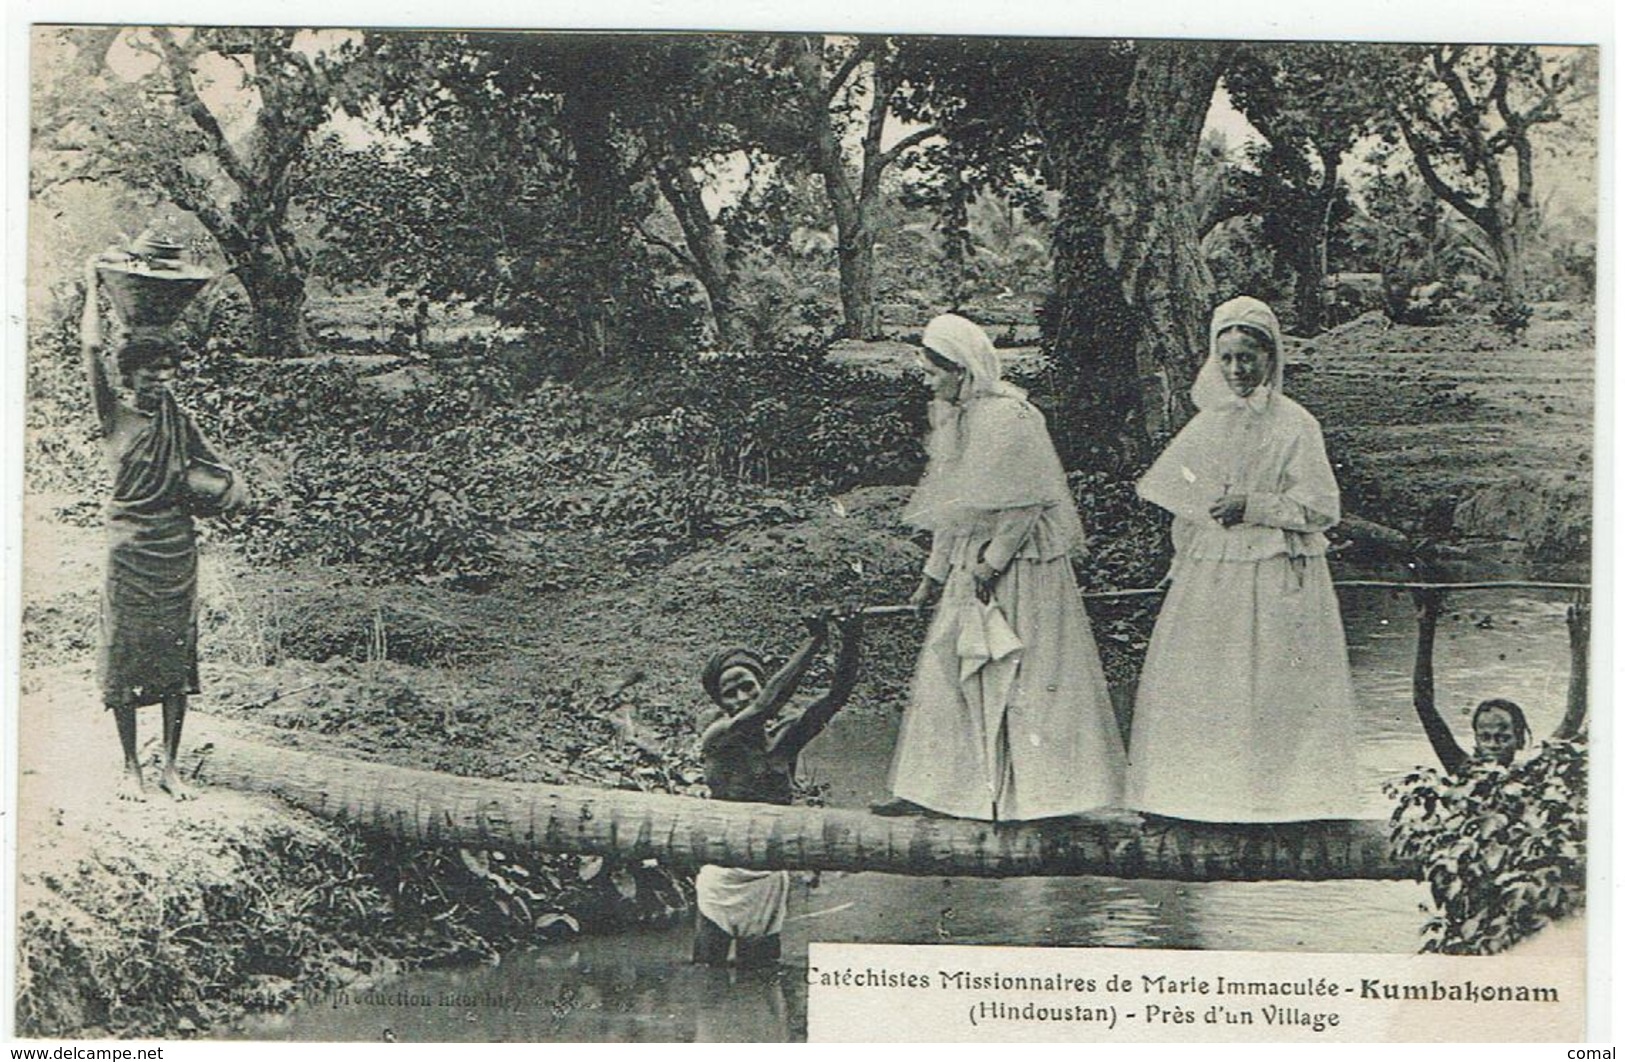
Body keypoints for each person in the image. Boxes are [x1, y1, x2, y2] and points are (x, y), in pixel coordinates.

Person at [877, 313, 1126, 822]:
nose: (929, 382)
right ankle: (940, 792)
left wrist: (989, 569)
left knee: (1027, 673)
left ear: (963, 370)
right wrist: (934, 575)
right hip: (976, 563)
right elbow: (955, 509)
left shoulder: (1011, 417)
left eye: (934, 372)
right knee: (951, 665)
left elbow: (1024, 506)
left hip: (1023, 566)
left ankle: (1046, 797)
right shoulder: (956, 419)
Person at [1126, 295, 1362, 822]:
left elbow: (1321, 507)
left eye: (1248, 358)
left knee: (1272, 679)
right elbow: (1182, 498)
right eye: (1227, 358)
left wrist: (1252, 505)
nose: (1237, 370)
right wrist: (1188, 546)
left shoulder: (1296, 424)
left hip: (1277, 571)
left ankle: (1284, 802)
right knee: (1208, 677)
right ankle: (1196, 798)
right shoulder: (1208, 423)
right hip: (1214, 571)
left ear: (1271, 358)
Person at [81, 255, 247, 801]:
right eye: (148, 374)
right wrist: (92, 289)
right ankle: (131, 766)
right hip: (129, 550)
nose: (159, 381)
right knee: (126, 653)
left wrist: (230, 490)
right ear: (128, 377)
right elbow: (91, 352)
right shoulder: (113, 416)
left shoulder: (176, 416)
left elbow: (217, 467)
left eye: (166, 373)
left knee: (177, 659)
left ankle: (170, 767)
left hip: (177, 551)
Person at [693, 609, 863, 968]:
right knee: (707, 974)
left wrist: (850, 637)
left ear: (760, 682)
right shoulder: (719, 738)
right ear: (720, 703)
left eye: (747, 686)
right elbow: (765, 705)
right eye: (730, 693)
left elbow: (836, 696)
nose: (740, 696)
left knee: (761, 983)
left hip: (769, 878)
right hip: (725, 876)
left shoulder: (784, 741)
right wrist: (814, 641)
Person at [1409, 584, 1588, 772]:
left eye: (1503, 737)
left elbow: (1573, 718)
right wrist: (1426, 628)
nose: (1493, 745)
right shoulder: (1463, 769)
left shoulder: (1533, 769)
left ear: (1519, 740)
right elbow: (1423, 703)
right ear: (1476, 741)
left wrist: (1579, 644)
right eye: (1485, 737)